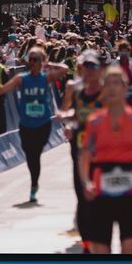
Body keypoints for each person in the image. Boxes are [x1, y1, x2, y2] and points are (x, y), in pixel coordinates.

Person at [79, 66, 132, 254]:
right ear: (103, 88)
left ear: (126, 88)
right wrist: (86, 182)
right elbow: (84, 154)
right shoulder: (94, 122)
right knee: (100, 248)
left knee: (128, 250)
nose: (113, 88)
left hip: (130, 191)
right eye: (109, 83)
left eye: (118, 83)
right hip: (101, 191)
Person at [0, 44, 61, 204]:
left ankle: (33, 183)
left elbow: (64, 69)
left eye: (36, 59)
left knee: (36, 153)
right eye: (30, 59)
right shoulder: (21, 78)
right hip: (26, 124)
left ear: (41, 61)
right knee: (31, 156)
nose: (32, 62)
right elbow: (2, 90)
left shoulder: (46, 77)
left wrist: (49, 64)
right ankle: (34, 183)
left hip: (43, 123)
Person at [58, 51, 106, 243]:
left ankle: (97, 224)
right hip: (79, 147)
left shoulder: (106, 92)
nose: (88, 71)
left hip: (101, 150)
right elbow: (68, 112)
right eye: (85, 67)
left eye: (92, 67)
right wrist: (68, 124)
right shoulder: (75, 90)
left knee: (97, 187)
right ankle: (86, 230)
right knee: (81, 186)